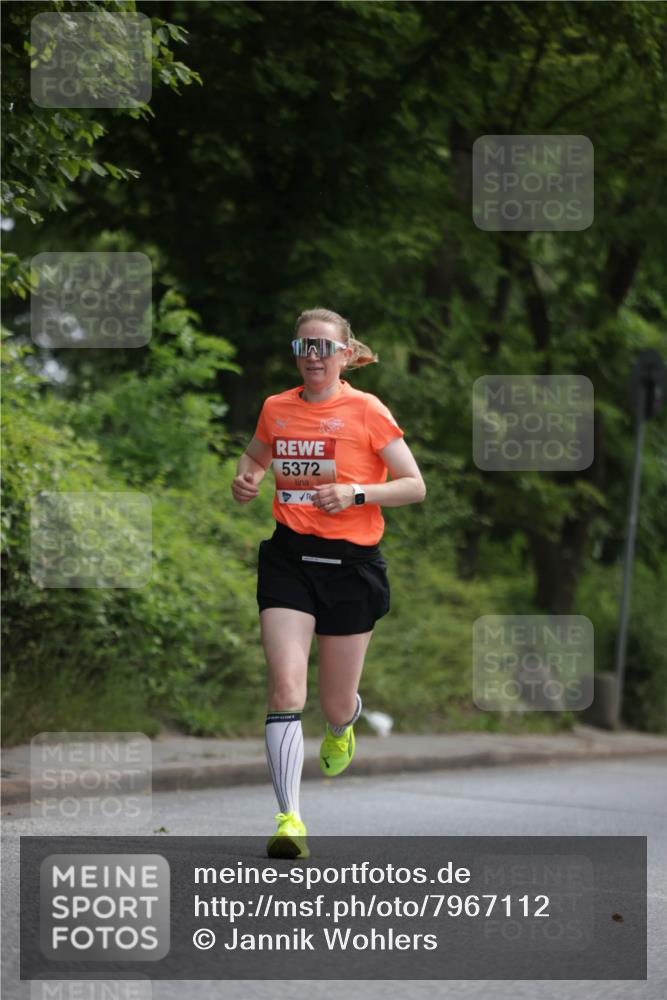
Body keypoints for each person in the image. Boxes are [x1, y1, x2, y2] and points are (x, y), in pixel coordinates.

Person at [231, 308, 426, 859]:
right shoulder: (277, 408)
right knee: (285, 688)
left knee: (334, 703)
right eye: (304, 346)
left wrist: (355, 494)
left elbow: (414, 486)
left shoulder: (367, 410)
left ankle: (344, 724)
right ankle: (289, 819)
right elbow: (254, 457)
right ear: (296, 353)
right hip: (289, 560)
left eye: (324, 347)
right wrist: (246, 479)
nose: (313, 356)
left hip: (351, 567)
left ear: (344, 354)